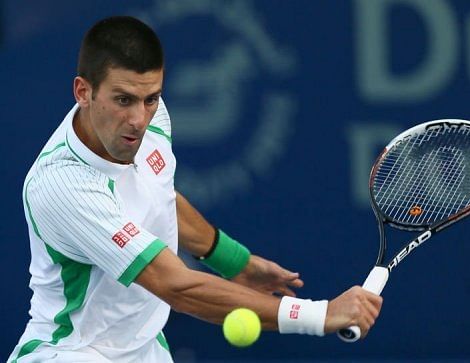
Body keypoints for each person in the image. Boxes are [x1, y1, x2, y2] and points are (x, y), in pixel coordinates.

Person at [8, 16, 382, 363]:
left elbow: (158, 197)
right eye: (123, 100)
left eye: (150, 98)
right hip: (72, 352)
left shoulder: (151, 121)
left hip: (143, 349)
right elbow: (175, 285)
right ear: (83, 91)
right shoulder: (63, 185)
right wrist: (320, 314)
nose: (138, 119)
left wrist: (234, 261)